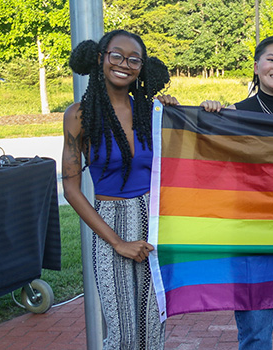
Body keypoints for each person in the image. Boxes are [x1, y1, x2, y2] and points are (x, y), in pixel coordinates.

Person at [163, 34, 273, 350]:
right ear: (257, 66)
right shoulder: (233, 113)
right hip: (251, 236)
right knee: (255, 332)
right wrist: (205, 119)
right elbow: (207, 166)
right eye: (271, 59)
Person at [61, 29, 170, 350]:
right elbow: (70, 187)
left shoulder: (154, 112)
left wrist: (177, 108)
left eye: (134, 59)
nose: (125, 64)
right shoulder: (78, 116)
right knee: (122, 337)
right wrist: (118, 242)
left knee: (152, 335)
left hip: (155, 227)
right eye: (116, 55)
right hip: (109, 227)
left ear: (143, 67)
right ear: (100, 58)